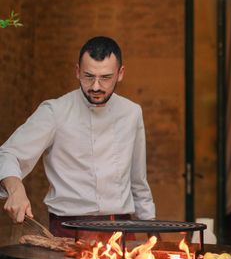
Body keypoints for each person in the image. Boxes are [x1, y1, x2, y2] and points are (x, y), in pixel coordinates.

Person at [0, 36, 156, 234]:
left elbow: (138, 180)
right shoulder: (54, 111)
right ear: (77, 71)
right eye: (88, 76)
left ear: (120, 73)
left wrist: (151, 225)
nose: (96, 86)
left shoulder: (132, 112)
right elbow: (7, 154)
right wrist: (16, 189)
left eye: (106, 77)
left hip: (121, 230)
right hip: (68, 229)